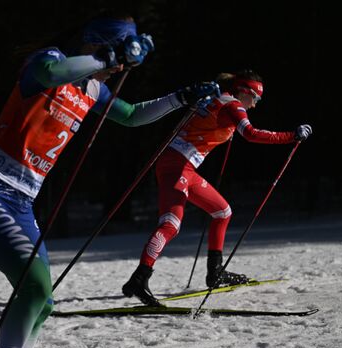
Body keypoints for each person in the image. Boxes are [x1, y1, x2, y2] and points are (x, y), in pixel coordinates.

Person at [0, 12, 219, 348]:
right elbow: (50, 75)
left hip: (22, 203)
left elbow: (132, 115)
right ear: (95, 45)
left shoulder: (93, 88)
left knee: (43, 303)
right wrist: (107, 58)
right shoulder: (49, 60)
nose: (118, 69)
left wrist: (181, 98)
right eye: (117, 58)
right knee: (34, 288)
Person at [122, 69, 313, 307]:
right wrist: (292, 136)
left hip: (183, 166)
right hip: (178, 165)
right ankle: (139, 279)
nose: (255, 104)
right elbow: (251, 134)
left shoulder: (218, 97)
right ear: (244, 91)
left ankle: (215, 273)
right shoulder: (233, 105)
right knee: (170, 224)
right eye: (256, 98)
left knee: (222, 211)